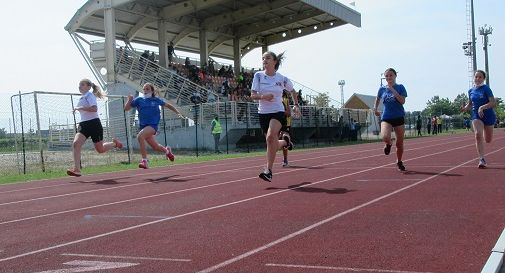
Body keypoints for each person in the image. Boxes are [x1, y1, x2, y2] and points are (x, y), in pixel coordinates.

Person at [250, 51, 300, 182]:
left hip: (278, 111)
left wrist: (296, 105)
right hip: (263, 113)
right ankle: (285, 142)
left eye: (267, 58)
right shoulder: (258, 76)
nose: (264, 60)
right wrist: (263, 96)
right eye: (263, 58)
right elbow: (253, 95)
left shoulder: (281, 78)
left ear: (275, 61)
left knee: (271, 136)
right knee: (271, 142)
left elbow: (293, 91)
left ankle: (268, 170)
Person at [67, 79, 123, 177]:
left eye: (82, 84)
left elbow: (94, 109)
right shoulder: (82, 98)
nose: (79, 86)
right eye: (79, 85)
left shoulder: (90, 95)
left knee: (100, 150)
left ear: (88, 87)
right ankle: (77, 169)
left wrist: (80, 108)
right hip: (83, 125)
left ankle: (114, 144)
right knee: (76, 144)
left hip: (94, 124)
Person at [124, 83, 184, 169]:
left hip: (153, 125)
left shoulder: (156, 100)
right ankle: (167, 151)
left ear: (152, 91)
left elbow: (168, 105)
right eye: (144, 89)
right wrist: (129, 99)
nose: (145, 91)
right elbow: (126, 109)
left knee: (140, 136)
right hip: (143, 127)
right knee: (155, 147)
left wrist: (177, 112)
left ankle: (145, 161)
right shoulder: (139, 100)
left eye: (147, 89)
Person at [373, 68, 407, 171]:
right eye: (386, 76)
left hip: (398, 117)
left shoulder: (400, 87)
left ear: (395, 76)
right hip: (386, 117)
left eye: (390, 75)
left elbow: (402, 101)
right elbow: (377, 98)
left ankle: (399, 161)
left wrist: (392, 89)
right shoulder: (382, 89)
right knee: (385, 136)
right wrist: (375, 108)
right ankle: (388, 144)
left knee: (399, 143)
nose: (388, 78)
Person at [461, 70, 496, 168]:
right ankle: (482, 159)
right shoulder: (471, 91)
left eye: (480, 77)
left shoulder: (486, 89)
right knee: (477, 135)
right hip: (476, 115)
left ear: (483, 79)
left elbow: (493, 103)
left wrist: (482, 107)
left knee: (488, 140)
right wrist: (464, 108)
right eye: (476, 77)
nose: (478, 79)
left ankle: (484, 132)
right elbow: (470, 104)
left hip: (488, 116)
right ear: (474, 78)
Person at [281, 90, 292, 167]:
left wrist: (281, 112)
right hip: (277, 121)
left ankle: (285, 160)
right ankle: (288, 142)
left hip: (285, 122)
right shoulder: (275, 99)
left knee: (283, 138)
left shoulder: (285, 100)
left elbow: (289, 113)